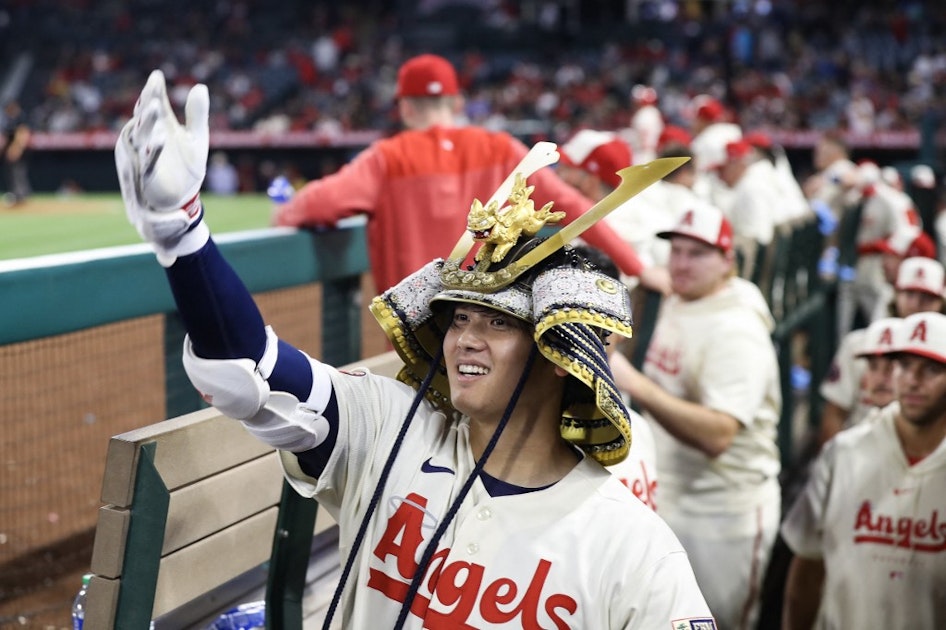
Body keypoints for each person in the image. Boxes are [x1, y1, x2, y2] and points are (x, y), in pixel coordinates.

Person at [116, 69, 715, 629]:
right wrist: (182, 233)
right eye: (458, 318)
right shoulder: (387, 430)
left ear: (560, 353)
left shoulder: (637, 552)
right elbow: (249, 370)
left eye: (498, 323)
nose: (464, 340)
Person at [271, 53, 669, 296]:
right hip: (489, 322)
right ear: (458, 102)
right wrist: (636, 267)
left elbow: (320, 203)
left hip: (417, 327)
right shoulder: (500, 148)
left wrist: (285, 213)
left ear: (406, 108)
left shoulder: (388, 157)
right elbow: (578, 209)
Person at [609, 204, 781, 630]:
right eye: (677, 251)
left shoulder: (737, 328)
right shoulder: (683, 297)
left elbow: (719, 434)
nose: (681, 263)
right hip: (672, 493)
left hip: (723, 511)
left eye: (697, 253)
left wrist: (630, 380)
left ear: (728, 261)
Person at [781, 312, 946, 629]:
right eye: (904, 365)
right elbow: (807, 568)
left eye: (932, 369)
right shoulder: (844, 453)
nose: (912, 380)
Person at [818, 256, 945, 445]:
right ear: (895, 294)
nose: (916, 304)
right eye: (910, 294)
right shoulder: (859, 343)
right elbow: (834, 413)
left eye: (927, 297)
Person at [0, 100, 31, 206]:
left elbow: (22, 133)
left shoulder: (20, 117)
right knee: (12, 173)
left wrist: (16, 148)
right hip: (9, 149)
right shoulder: (8, 119)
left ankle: (20, 195)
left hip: (16, 150)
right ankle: (16, 194)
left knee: (18, 172)